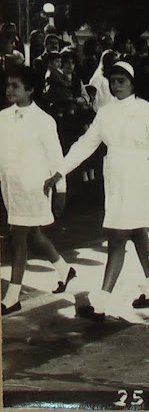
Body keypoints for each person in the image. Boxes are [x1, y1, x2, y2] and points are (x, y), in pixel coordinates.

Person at [43, 61, 149, 322]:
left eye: (121, 81)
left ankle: (101, 303)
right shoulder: (105, 113)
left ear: (133, 83)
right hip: (115, 178)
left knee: (117, 236)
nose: (116, 86)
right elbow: (85, 144)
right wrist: (60, 170)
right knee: (136, 231)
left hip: (141, 177)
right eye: (112, 81)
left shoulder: (147, 111)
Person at [0, 66, 76, 315]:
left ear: (30, 90)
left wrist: (61, 190)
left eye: (15, 86)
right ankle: (65, 270)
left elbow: (57, 159)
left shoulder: (44, 120)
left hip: (36, 185)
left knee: (18, 236)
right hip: (11, 187)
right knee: (32, 234)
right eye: (9, 85)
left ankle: (12, 296)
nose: (9, 90)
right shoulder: (2, 117)